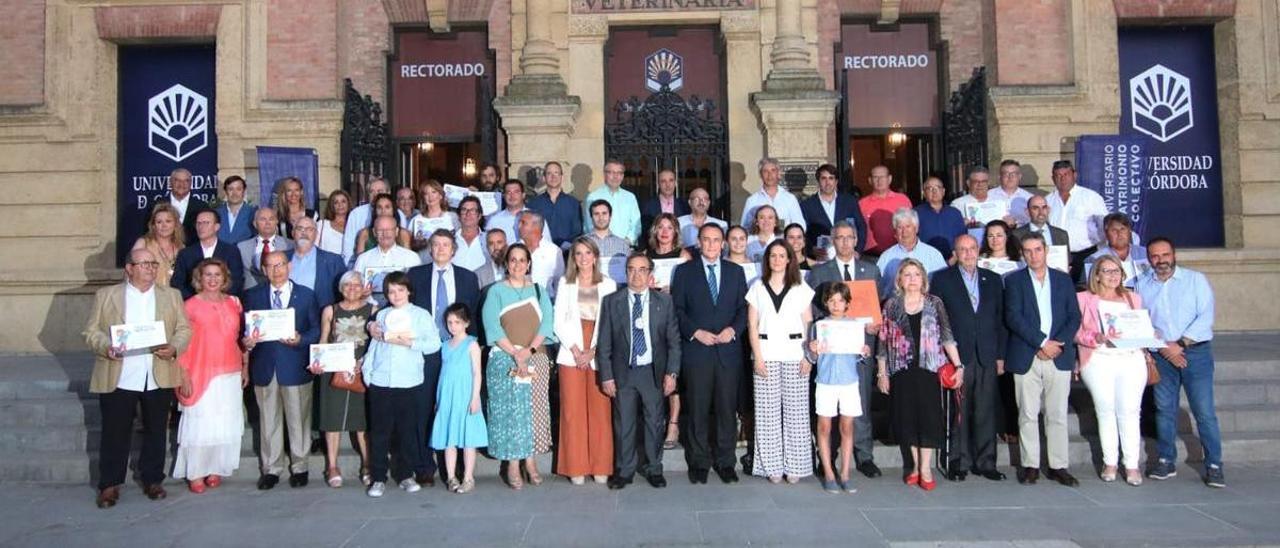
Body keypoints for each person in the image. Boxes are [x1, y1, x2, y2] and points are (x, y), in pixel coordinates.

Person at [83, 248, 192, 508]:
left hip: (157, 372)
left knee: (156, 430)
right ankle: (109, 484)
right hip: (119, 373)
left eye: (153, 264)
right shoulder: (107, 295)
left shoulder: (171, 295)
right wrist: (107, 346)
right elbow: (90, 331)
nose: (150, 269)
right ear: (129, 268)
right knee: (114, 431)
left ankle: (153, 479)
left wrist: (174, 347)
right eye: (144, 264)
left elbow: (184, 328)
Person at [1136, 237, 1224, 488]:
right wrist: (1165, 349)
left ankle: (1214, 464)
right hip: (1162, 355)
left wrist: (1180, 345)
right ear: (1149, 259)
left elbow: (1205, 315)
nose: (1161, 260)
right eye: (1155, 256)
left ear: (1174, 255)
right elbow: (1143, 323)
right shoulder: (1142, 285)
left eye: (1165, 255)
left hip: (1195, 353)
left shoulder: (1195, 280)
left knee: (1204, 412)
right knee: (1164, 410)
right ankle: (1166, 459)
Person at [876, 258, 964, 491]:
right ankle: (914, 466)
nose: (912, 279)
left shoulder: (934, 303)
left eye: (916, 274)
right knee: (907, 419)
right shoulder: (891, 305)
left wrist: (958, 366)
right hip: (901, 370)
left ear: (923, 278)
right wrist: (882, 373)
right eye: (907, 274)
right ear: (900, 280)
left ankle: (925, 468)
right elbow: (883, 341)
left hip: (929, 369)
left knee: (927, 418)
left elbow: (946, 335)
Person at [671, 224, 748, 484]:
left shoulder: (736, 272)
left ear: (723, 243)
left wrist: (733, 330)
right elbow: (677, 310)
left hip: (728, 350)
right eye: (707, 240)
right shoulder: (683, 272)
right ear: (699, 243)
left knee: (727, 410)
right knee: (698, 409)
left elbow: (743, 310)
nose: (712, 245)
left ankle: (726, 462)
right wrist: (695, 332)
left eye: (716, 240)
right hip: (698, 351)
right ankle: (699, 462)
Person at [597, 253, 682, 489]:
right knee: (624, 423)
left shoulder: (664, 302)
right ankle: (624, 471)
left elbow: (674, 341)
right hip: (624, 372)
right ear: (626, 273)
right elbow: (604, 343)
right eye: (632, 269)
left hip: (653, 371)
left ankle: (654, 468)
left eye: (642, 269)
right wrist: (606, 375)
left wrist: (671, 373)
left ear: (650, 274)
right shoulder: (612, 302)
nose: (637, 274)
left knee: (655, 422)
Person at [1003, 232, 1082, 487]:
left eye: (1037, 249)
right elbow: (1013, 317)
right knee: (1027, 413)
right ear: (1022, 254)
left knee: (1057, 413)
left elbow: (1074, 316)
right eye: (1028, 251)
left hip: (1058, 354)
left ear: (1046, 250)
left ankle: (1058, 465)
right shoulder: (1014, 281)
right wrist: (1040, 342)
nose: (1033, 255)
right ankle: (1030, 465)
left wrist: (1056, 344)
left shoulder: (1062, 280)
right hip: (1028, 353)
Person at [404, 229, 481, 485]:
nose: (440, 249)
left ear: (453, 249)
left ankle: (459, 469)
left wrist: (475, 350)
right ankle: (425, 466)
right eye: (435, 244)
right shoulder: (415, 276)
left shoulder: (468, 278)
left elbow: (474, 317)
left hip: (458, 352)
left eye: (445, 245)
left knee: (456, 405)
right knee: (425, 408)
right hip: (425, 352)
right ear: (429, 248)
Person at [806, 221, 883, 479]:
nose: (845, 242)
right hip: (831, 351)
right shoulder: (819, 273)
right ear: (833, 241)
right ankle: (828, 456)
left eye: (850, 237)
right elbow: (814, 311)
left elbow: (877, 308)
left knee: (859, 401)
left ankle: (864, 455)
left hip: (861, 348)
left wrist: (875, 324)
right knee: (827, 409)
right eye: (840, 238)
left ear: (856, 239)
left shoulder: (870, 270)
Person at [930, 235, 1007, 482]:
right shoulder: (943, 278)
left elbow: (1000, 320)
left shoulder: (993, 280)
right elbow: (937, 319)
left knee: (986, 410)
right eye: (962, 249)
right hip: (957, 355)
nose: (968, 253)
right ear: (955, 252)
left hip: (986, 353)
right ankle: (958, 462)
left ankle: (986, 463)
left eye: (972, 248)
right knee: (959, 412)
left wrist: (1000, 355)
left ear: (978, 251)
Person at [242, 251, 322, 490]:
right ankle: (271, 469)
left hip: (295, 365)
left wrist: (301, 338)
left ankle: (300, 466)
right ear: (264, 270)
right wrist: (246, 342)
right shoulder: (252, 296)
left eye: (280, 265)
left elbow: (317, 330)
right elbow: (244, 331)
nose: (276, 270)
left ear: (289, 266)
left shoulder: (306, 295)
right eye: (270, 266)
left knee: (299, 419)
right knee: (268, 421)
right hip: (265, 366)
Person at [481, 244, 557, 489]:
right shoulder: (495, 291)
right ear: (506, 263)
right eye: (512, 260)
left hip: (535, 357)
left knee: (533, 412)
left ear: (528, 263)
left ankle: (531, 461)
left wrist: (528, 352)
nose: (517, 265)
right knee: (510, 413)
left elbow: (547, 325)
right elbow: (492, 326)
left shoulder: (538, 290)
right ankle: (512, 464)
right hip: (505, 358)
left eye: (522, 260)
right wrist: (515, 353)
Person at [361, 271, 443, 497]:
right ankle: (378, 477)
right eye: (391, 291)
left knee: (407, 431)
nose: (395, 295)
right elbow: (374, 347)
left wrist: (411, 343)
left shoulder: (420, 315)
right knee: (379, 432)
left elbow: (434, 344)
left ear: (408, 291)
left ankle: (405, 475)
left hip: (409, 381)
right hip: (381, 381)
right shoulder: (381, 316)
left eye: (400, 289)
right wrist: (369, 374)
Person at [1075, 254, 1150, 486]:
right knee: (1105, 410)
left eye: (1116, 270)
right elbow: (1075, 331)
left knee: (1130, 411)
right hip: (1099, 359)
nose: (1113, 275)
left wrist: (1150, 335)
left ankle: (1132, 464)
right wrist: (1094, 337)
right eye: (1107, 271)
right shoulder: (1084, 299)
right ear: (1096, 274)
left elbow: (1141, 327)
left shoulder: (1133, 298)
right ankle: (1110, 462)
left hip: (1131, 359)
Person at [172, 258, 245, 493]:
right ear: (199, 279)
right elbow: (181, 343)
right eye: (208, 275)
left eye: (217, 275)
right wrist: (182, 373)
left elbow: (240, 338)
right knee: (202, 425)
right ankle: (195, 472)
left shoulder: (234, 303)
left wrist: (245, 365)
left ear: (224, 279)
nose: (213, 279)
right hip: (200, 371)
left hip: (230, 370)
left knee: (223, 423)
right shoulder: (189, 305)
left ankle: (216, 468)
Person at [746, 240, 815, 483]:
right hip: (766, 353)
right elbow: (752, 326)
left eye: (781, 255)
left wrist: (809, 356)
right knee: (767, 414)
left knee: (797, 413)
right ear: (767, 260)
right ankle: (771, 466)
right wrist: (758, 357)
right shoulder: (757, 287)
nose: (776, 260)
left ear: (789, 259)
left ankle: (796, 465)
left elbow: (809, 324)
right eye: (772, 256)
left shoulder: (800, 287)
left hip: (795, 352)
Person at [553, 237, 617, 485]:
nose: (583, 258)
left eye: (587, 253)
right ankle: (576, 466)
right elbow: (558, 320)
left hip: (599, 348)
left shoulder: (609, 284)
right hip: (571, 351)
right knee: (572, 411)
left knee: (600, 410)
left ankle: (601, 464)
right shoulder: (565, 283)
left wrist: (594, 351)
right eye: (578, 254)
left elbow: (611, 322)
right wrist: (577, 350)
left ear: (595, 256)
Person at [306, 270, 373, 489]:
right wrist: (317, 362)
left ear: (363, 287)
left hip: (362, 368)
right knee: (332, 419)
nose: (352, 289)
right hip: (333, 369)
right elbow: (324, 339)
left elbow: (377, 343)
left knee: (363, 420)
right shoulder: (330, 310)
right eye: (347, 286)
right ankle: (332, 465)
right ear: (340, 288)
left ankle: (367, 464)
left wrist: (364, 362)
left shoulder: (374, 310)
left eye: (356, 285)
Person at [805, 283, 871, 493]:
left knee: (847, 427)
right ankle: (829, 473)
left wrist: (864, 351)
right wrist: (812, 349)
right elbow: (812, 357)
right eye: (831, 300)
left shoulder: (854, 326)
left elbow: (858, 355)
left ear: (846, 304)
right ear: (826, 303)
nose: (835, 304)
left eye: (840, 301)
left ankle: (845, 473)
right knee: (824, 427)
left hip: (849, 381)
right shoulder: (819, 325)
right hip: (825, 381)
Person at [430, 303, 489, 494]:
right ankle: (450, 476)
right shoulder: (445, 345)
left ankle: (468, 477)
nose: (453, 326)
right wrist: (438, 398)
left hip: (465, 394)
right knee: (449, 439)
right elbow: (443, 372)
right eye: (449, 322)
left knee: (467, 439)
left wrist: (474, 398)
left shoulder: (471, 344)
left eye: (457, 322)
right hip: (447, 394)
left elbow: (476, 373)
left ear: (466, 323)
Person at [1044, 160, 1107, 283]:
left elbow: (1104, 226)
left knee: (1084, 291)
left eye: (1066, 174)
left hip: (1086, 254)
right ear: (1053, 178)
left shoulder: (1091, 197)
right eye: (1058, 175)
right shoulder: (1047, 201)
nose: (1062, 179)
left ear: (1075, 175)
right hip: (1056, 255)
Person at [171, 209, 245, 299]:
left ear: (217, 227)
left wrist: (218, 298)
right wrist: (197, 300)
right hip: (193, 306)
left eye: (206, 223)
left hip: (223, 304)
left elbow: (236, 281)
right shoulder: (185, 253)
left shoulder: (231, 251)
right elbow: (177, 283)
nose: (201, 227)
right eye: (198, 223)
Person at [875, 208, 948, 298]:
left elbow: (945, 285)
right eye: (900, 227)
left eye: (908, 226)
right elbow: (878, 289)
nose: (904, 232)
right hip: (895, 308)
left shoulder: (933, 254)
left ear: (916, 229)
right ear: (895, 231)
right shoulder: (886, 257)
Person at [353, 215, 422, 307]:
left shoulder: (411, 257)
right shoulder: (363, 259)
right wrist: (361, 293)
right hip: (369, 310)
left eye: (389, 230)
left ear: (396, 231)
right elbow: (354, 289)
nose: (385, 234)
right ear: (374, 232)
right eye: (380, 230)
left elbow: (417, 290)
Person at [800, 163, 866, 256]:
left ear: (836, 181)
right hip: (821, 257)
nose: (827, 183)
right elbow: (803, 233)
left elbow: (861, 227)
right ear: (818, 181)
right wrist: (811, 250)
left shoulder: (849, 201)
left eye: (831, 178)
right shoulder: (807, 205)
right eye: (824, 178)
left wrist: (858, 251)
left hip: (847, 255)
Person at [288, 217, 347, 310]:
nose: (304, 233)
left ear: (316, 234)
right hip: (287, 317)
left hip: (320, 318)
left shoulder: (333, 261)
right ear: (293, 233)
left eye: (309, 229)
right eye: (300, 228)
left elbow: (344, 295)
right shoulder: (281, 258)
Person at [583, 159, 643, 244]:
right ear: (604, 174)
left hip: (626, 247)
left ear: (623, 176)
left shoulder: (630, 197)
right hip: (599, 247)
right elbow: (588, 225)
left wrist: (627, 241)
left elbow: (636, 224)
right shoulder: (593, 197)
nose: (615, 177)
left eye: (619, 173)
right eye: (611, 172)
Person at [527, 161, 583, 250]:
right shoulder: (533, 204)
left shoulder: (573, 203)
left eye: (556, 173)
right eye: (549, 173)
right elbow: (529, 229)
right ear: (544, 178)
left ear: (561, 177)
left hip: (567, 253)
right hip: (542, 252)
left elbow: (578, 231)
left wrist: (567, 245)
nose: (553, 177)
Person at [1084, 213, 1149, 288]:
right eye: (1114, 230)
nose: (1119, 233)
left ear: (1129, 231)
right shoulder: (1094, 259)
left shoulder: (1146, 254)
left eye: (1123, 229)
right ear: (1106, 234)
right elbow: (1091, 287)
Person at [950, 166, 1014, 242]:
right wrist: (961, 225)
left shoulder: (1001, 201)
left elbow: (1009, 228)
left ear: (988, 183)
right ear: (968, 183)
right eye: (975, 181)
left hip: (997, 244)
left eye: (984, 181)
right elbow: (951, 231)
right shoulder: (957, 204)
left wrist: (1011, 224)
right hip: (971, 246)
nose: (980, 185)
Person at [859, 165, 912, 256]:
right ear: (870, 180)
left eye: (882, 177)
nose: (879, 180)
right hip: (870, 257)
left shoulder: (903, 200)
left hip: (899, 253)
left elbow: (911, 226)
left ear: (889, 179)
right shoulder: (862, 204)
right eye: (875, 177)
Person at [741, 158, 805, 232]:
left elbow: (801, 226)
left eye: (773, 170)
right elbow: (744, 228)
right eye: (765, 171)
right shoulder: (752, 200)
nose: (769, 175)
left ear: (778, 173)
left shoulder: (790, 199)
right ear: (760, 175)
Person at [238, 207, 294, 291]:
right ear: (255, 224)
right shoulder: (241, 247)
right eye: (263, 219)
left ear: (276, 222)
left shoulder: (290, 245)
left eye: (271, 219)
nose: (267, 223)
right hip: (250, 296)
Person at [342, 177, 392, 266]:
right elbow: (348, 245)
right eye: (371, 192)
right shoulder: (356, 214)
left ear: (388, 192)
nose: (375, 194)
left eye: (379, 191)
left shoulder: (397, 213)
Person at [915, 175, 967, 260]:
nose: (934, 191)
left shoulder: (955, 213)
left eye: (938, 187)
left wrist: (955, 258)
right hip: (925, 261)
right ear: (924, 193)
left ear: (943, 191)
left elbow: (962, 238)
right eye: (930, 188)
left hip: (952, 261)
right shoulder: (915, 213)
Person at [133, 202, 185, 287]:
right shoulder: (143, 243)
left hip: (174, 297)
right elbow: (131, 272)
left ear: (175, 224)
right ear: (153, 226)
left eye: (168, 221)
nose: (164, 225)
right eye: (159, 222)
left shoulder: (182, 247)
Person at [488, 179, 553, 246]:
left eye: (516, 192)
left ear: (523, 195)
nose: (512, 196)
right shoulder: (494, 221)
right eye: (508, 192)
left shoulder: (536, 218)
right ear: (504, 196)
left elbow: (547, 244)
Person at [158, 167, 211, 244]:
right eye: (177, 180)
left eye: (186, 181)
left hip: (193, 253)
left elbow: (207, 233)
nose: (181, 184)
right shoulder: (158, 205)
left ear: (191, 183)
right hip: (163, 252)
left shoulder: (202, 207)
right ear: (170, 182)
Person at [520, 210, 566, 298]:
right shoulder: (513, 249)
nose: (519, 226)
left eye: (523, 223)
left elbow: (559, 282)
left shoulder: (554, 251)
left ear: (536, 227)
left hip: (545, 303)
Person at [408, 179, 460, 251]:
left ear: (441, 195)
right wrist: (417, 244)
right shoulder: (416, 220)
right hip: (424, 260)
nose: (430, 196)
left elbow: (460, 241)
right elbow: (409, 246)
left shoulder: (452, 217)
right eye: (426, 193)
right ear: (423, 198)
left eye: (434, 192)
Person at [641, 169, 691, 241]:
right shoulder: (648, 205)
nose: (668, 185)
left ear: (676, 183)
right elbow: (645, 233)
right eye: (663, 181)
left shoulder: (684, 206)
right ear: (658, 185)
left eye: (671, 180)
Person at [990, 159, 1035, 227]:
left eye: (1013, 174)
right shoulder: (989, 196)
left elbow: (1034, 221)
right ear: (999, 177)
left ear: (1019, 176)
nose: (1010, 177)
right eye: (1006, 174)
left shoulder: (1029, 198)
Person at [452, 195, 490, 273]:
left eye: (472, 210)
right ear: (459, 216)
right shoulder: (450, 240)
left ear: (479, 215)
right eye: (464, 210)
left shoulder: (488, 239)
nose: (468, 213)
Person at [216, 175, 257, 244]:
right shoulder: (216, 213)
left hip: (245, 254)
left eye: (238, 189)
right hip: (220, 254)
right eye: (230, 189)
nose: (234, 193)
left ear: (244, 191)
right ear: (225, 192)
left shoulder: (253, 213)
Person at [317, 189, 351, 256]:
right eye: (336, 202)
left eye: (343, 201)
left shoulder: (355, 225)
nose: (340, 205)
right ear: (332, 206)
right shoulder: (322, 225)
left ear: (348, 204)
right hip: (328, 265)